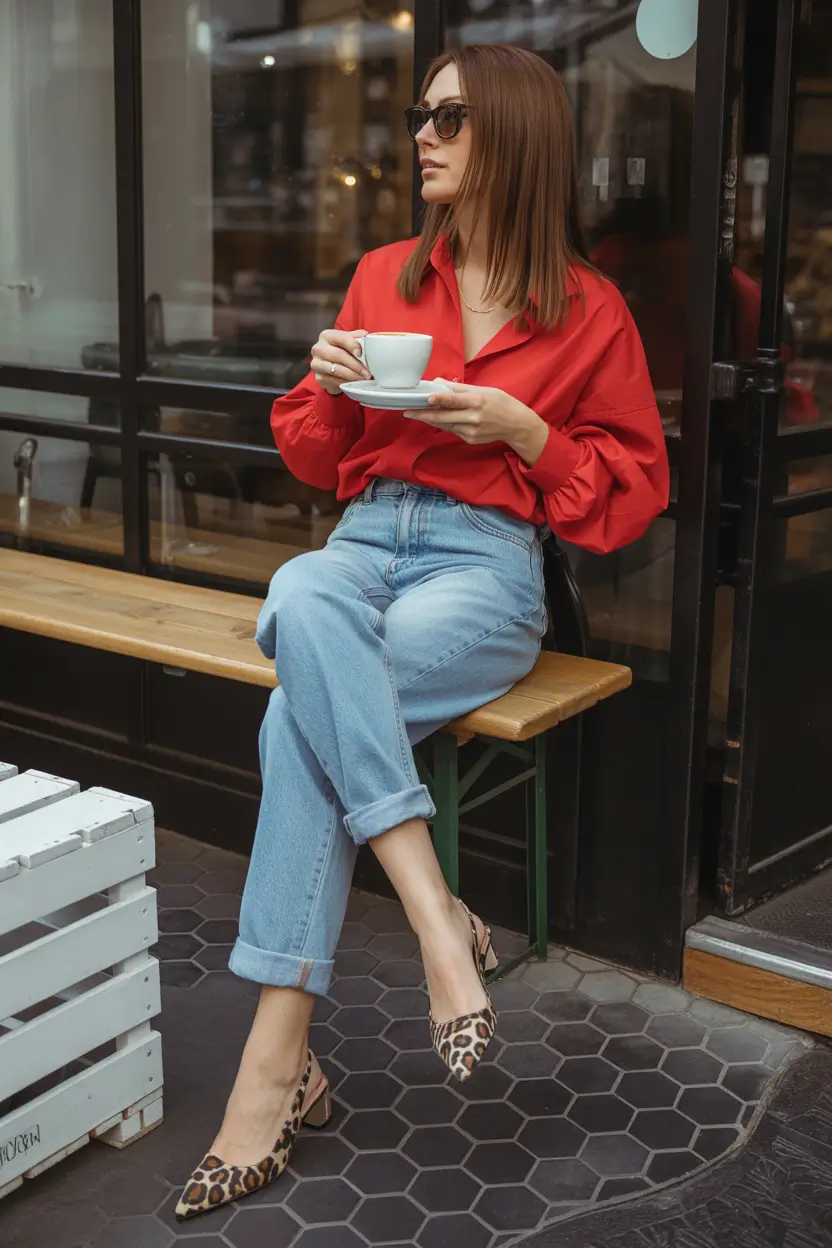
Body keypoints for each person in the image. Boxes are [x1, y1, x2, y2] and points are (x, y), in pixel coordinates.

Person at [176, 42, 669, 1221]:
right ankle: (435, 919)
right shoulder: (385, 274)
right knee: (301, 595)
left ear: (515, 135)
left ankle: (271, 1076)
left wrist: (525, 431)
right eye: (420, 113)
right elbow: (312, 456)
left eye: (449, 115)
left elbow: (632, 495)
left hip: (485, 564)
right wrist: (326, 382)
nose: (422, 134)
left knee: (303, 704)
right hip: (361, 542)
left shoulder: (590, 311)